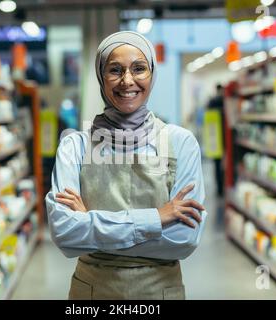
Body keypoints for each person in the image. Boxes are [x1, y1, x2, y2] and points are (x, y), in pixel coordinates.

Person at [45, 31, 207, 300]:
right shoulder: (74, 146)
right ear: (101, 77)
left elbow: (183, 240)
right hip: (92, 294)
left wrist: (90, 227)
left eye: (139, 69)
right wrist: (157, 218)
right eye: (115, 70)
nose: (127, 80)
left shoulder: (180, 142)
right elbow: (65, 234)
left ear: (152, 74)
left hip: (159, 293)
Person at [206, 84, 225, 197]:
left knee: (217, 165)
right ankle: (221, 187)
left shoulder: (211, 102)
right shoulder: (223, 101)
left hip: (215, 138)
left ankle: (219, 188)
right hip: (223, 138)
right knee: (221, 165)